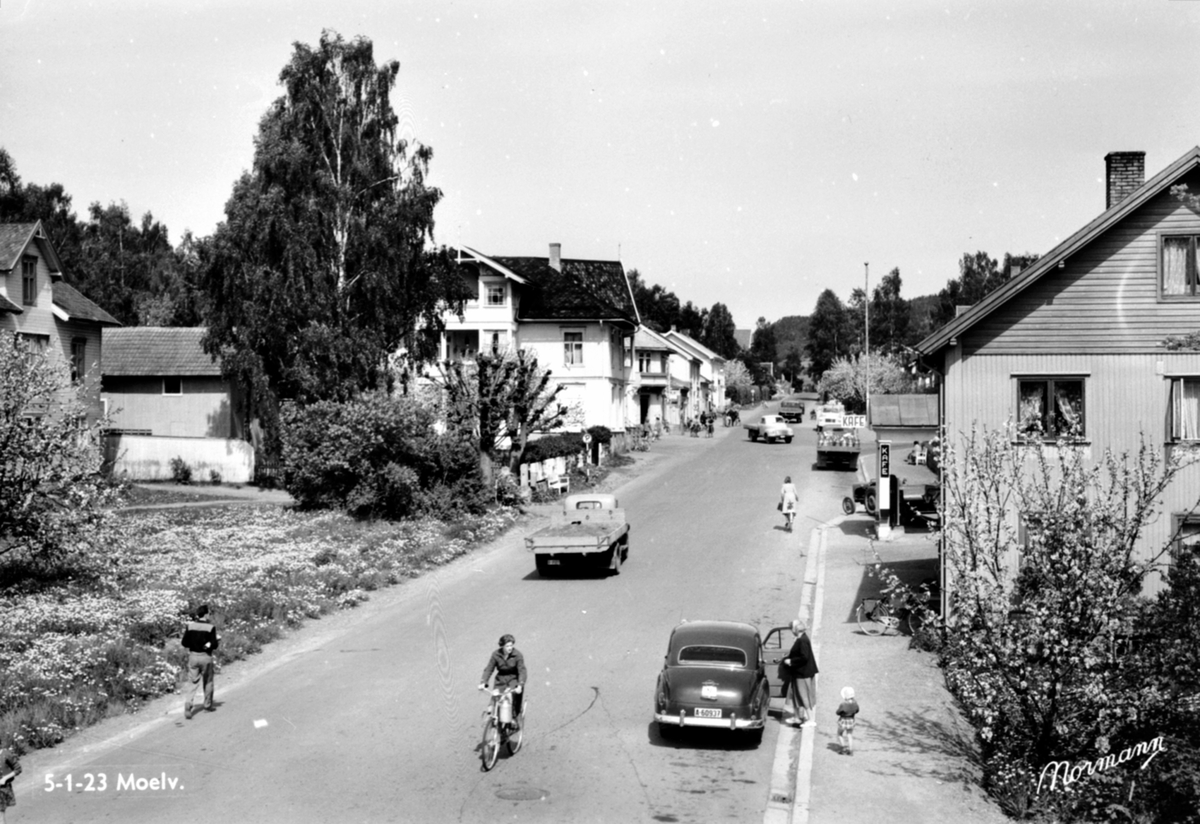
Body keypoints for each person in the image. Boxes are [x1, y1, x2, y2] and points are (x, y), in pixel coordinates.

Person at [479, 634, 527, 728]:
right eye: (507, 646)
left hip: (513, 678)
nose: (510, 648)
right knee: (495, 696)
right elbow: (489, 668)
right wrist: (483, 682)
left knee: (508, 695)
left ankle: (513, 718)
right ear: (502, 646)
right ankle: (490, 715)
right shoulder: (496, 654)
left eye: (511, 645)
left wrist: (520, 685)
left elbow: (522, 671)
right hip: (500, 679)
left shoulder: (517, 655)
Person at [181, 604, 220, 720]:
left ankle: (188, 704)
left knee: (193, 682)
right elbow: (214, 645)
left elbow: (184, 643)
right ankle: (207, 706)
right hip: (205, 657)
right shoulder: (210, 627)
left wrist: (194, 644)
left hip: (193, 657)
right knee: (208, 681)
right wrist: (214, 642)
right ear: (206, 614)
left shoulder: (190, 626)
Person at [779, 618, 819, 726]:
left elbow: (804, 657)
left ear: (796, 629)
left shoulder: (802, 641)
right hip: (800, 673)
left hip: (803, 674)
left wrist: (790, 661)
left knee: (804, 696)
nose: (791, 630)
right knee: (797, 695)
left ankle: (811, 720)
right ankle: (797, 717)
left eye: (792, 628)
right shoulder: (802, 638)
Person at [0, 739, 20, 824]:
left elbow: (18, 769)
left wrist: (5, 779)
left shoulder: (6, 754)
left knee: (0, 815)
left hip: (2, 789)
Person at [836, 686, 860, 754]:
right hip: (851, 720)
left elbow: (837, 712)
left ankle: (843, 748)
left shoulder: (843, 704)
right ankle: (850, 750)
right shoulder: (855, 704)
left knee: (840, 734)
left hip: (843, 721)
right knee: (849, 735)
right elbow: (857, 710)